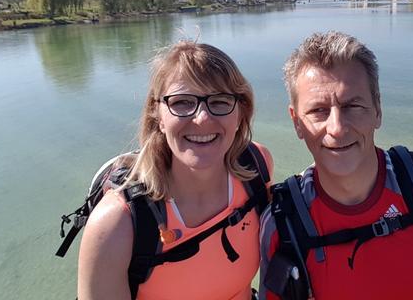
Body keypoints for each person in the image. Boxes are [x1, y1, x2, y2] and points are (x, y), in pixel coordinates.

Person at [259, 31, 413, 300]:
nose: (337, 128)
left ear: (378, 110)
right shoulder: (282, 223)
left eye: (353, 105)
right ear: (296, 122)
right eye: (318, 110)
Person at [78, 41, 273, 300]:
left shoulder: (257, 166)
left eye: (220, 101)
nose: (202, 118)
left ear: (241, 113)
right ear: (157, 116)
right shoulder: (116, 225)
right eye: (182, 102)